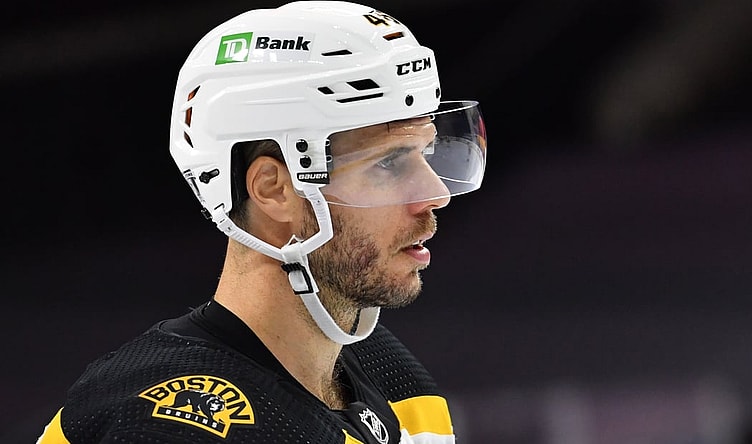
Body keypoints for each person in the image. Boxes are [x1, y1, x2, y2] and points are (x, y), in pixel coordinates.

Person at [37, 1, 486, 443]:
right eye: (388, 163)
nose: (436, 194)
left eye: (423, 152)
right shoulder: (163, 424)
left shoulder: (390, 373)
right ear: (273, 189)